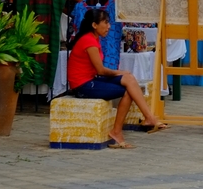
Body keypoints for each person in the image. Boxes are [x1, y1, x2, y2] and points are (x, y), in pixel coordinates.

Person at [67, 9, 168, 148]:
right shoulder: (88, 41)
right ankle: (121, 130)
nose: (109, 26)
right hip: (82, 86)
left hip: (91, 80)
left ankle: (148, 118)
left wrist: (123, 74)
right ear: (94, 25)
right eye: (105, 22)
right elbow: (101, 71)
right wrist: (119, 72)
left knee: (129, 79)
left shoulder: (93, 38)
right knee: (127, 88)